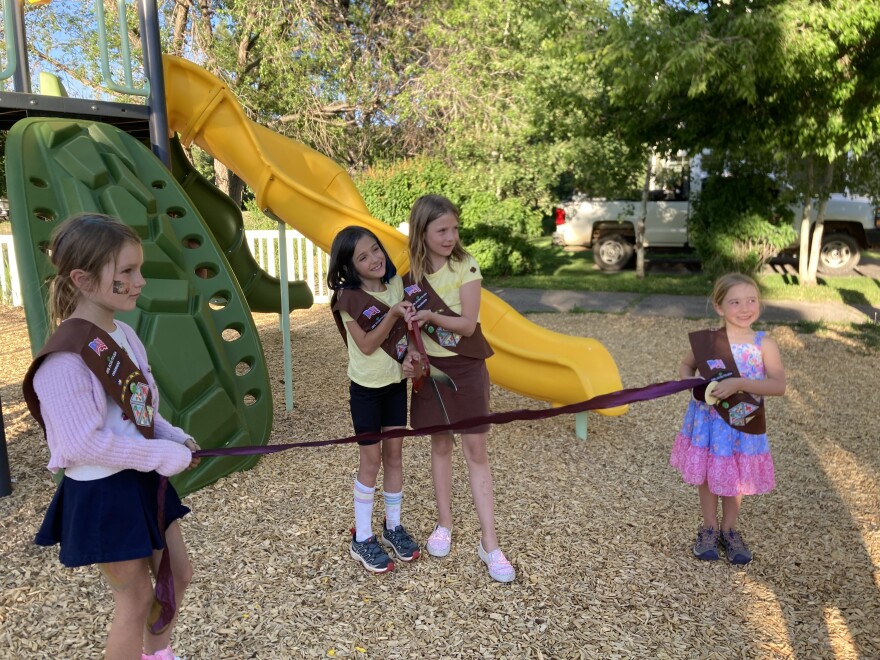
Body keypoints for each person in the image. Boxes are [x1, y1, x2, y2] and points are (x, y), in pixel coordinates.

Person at [21, 213, 201, 660]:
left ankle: (158, 654)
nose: (139, 281)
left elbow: (141, 410)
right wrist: (158, 453)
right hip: (103, 492)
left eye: (138, 269)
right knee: (135, 598)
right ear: (82, 279)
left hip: (141, 476)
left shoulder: (122, 334)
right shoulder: (63, 361)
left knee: (177, 574)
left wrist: (173, 436)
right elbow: (79, 445)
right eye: (126, 271)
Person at [402, 194, 515, 583]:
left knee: (476, 450)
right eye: (442, 230)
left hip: (466, 368)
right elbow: (410, 334)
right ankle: (444, 525)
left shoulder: (466, 266)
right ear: (422, 232)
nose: (451, 237)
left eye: (454, 229)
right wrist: (413, 358)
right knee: (440, 445)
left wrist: (431, 315)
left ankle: (490, 543)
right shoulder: (409, 279)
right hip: (432, 372)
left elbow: (468, 325)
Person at [670, 272, 786, 564]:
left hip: (742, 422)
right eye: (735, 302)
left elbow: (778, 385)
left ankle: (729, 529)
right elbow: (686, 366)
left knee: (736, 476)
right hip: (709, 422)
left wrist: (740, 383)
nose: (745, 308)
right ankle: (708, 527)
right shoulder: (708, 342)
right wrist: (693, 386)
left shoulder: (764, 343)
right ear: (719, 307)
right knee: (710, 472)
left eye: (751, 300)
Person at [327, 226, 421, 574]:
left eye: (375, 249)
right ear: (349, 267)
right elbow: (366, 344)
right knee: (371, 461)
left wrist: (412, 354)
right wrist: (393, 314)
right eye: (362, 257)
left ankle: (393, 526)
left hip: (395, 386)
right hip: (365, 389)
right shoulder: (348, 298)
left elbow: (410, 334)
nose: (374, 259)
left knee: (395, 456)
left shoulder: (397, 286)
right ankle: (362, 537)